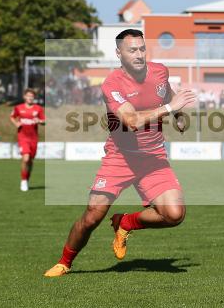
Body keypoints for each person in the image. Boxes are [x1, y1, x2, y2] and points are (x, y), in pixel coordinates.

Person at [44, 29, 197, 278]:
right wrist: (171, 108)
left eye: (141, 49)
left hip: (153, 158)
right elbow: (131, 120)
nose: (139, 54)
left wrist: (178, 115)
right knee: (93, 216)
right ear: (119, 53)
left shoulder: (160, 71)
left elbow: (165, 92)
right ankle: (64, 262)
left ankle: (125, 222)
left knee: (174, 214)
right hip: (121, 157)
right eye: (132, 50)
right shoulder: (112, 84)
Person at [10, 88, 46, 192]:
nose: (30, 98)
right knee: (25, 158)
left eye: (32, 96)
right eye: (28, 96)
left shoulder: (38, 109)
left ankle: (26, 179)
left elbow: (44, 121)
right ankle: (23, 181)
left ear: (34, 98)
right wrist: (16, 123)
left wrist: (39, 120)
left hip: (33, 138)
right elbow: (12, 117)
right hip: (23, 137)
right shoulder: (18, 108)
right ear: (24, 97)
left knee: (30, 161)